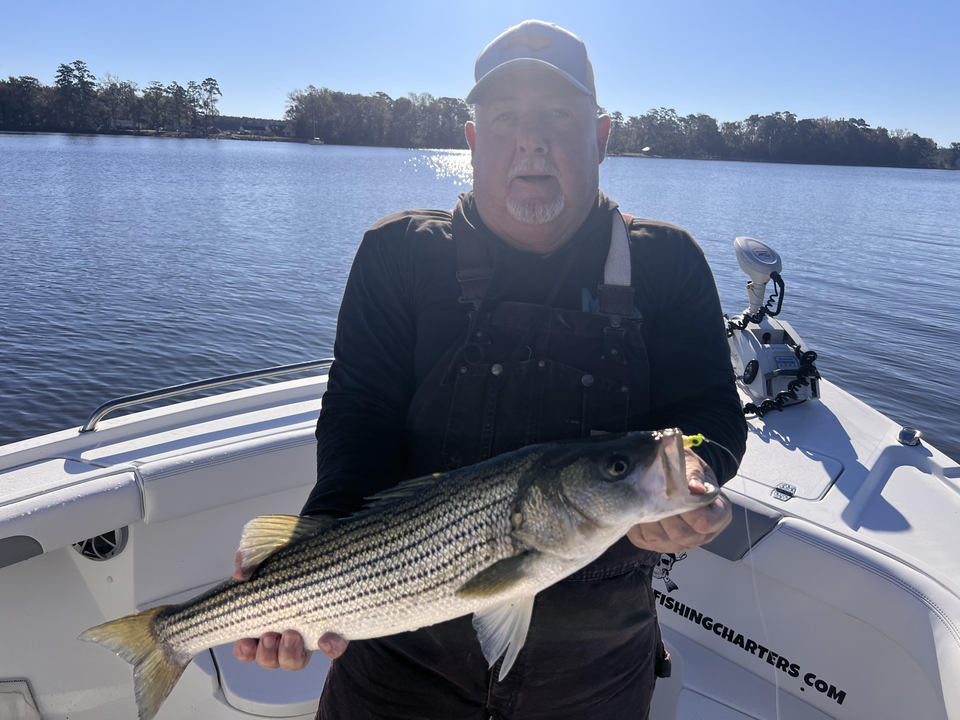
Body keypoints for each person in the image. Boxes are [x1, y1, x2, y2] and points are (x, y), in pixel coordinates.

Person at [234, 19, 747, 719]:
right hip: (400, 648)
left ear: (601, 138)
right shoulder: (400, 255)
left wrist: (697, 474)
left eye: (558, 117)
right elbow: (361, 417)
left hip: (597, 665)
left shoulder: (667, 263)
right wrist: (311, 557)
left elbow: (711, 416)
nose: (531, 139)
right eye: (506, 117)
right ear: (473, 143)